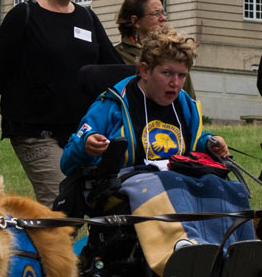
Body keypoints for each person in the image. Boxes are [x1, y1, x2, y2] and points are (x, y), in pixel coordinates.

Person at [0, 0, 120, 204]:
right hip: (36, 133)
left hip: (80, 132)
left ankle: (41, 245)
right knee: (60, 206)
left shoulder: (87, 18)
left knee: (88, 207)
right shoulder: (25, 15)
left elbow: (110, 67)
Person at [63, 29, 228, 177]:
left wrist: (209, 142)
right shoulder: (111, 104)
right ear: (145, 71)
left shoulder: (186, 106)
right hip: (129, 194)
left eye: (182, 75)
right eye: (167, 73)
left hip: (181, 188)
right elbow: (67, 162)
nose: (175, 83)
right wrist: (85, 145)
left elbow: (194, 143)